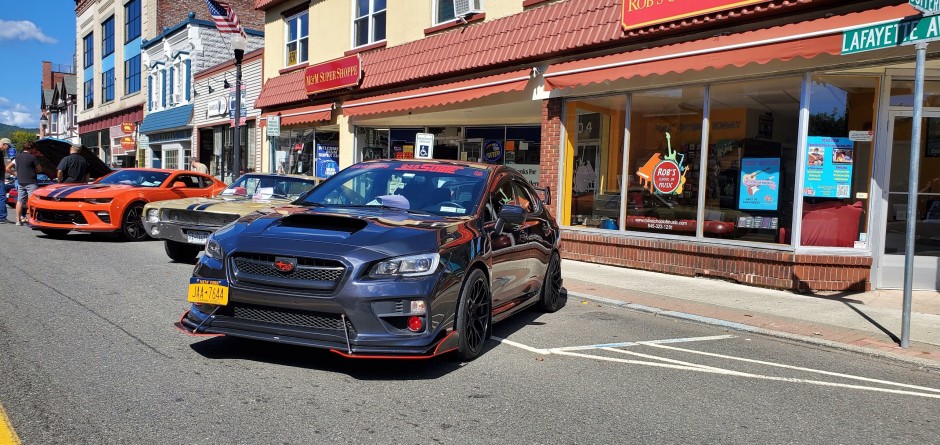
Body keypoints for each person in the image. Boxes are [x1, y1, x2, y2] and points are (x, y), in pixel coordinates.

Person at [5, 141, 41, 226]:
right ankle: (32, 220)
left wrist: (14, 174)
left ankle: (18, 220)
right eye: (34, 149)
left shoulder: (17, 157)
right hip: (31, 181)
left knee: (20, 201)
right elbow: (39, 169)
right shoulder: (33, 157)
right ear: (31, 148)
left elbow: (7, 168)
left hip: (20, 181)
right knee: (32, 201)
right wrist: (35, 171)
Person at [0, 138, 11, 223]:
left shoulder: (1, 152)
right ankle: (2, 217)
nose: (8, 148)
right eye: (8, 146)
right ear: (4, 144)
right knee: (2, 196)